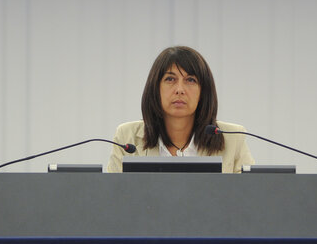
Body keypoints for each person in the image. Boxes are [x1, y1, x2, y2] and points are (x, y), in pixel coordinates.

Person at [107, 46, 253, 173]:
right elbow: (113, 198)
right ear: (155, 88)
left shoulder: (233, 138)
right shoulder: (127, 137)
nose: (180, 90)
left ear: (203, 91)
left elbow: (250, 198)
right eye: (170, 79)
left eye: (190, 80)